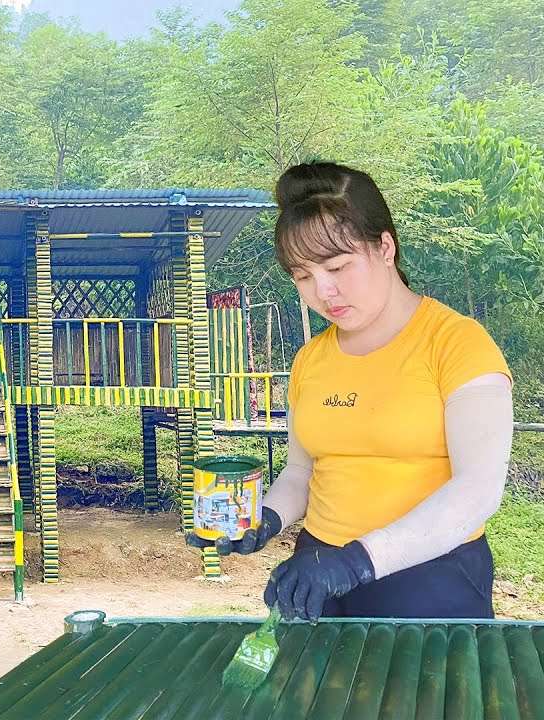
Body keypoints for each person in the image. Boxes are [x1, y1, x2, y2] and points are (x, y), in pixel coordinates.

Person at [187, 161, 514, 622]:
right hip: (318, 572)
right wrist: (263, 519)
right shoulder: (311, 359)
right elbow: (301, 472)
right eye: (303, 276)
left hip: (431, 578)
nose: (324, 291)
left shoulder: (458, 344)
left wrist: (357, 561)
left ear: (385, 247)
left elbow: (476, 492)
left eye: (338, 266)